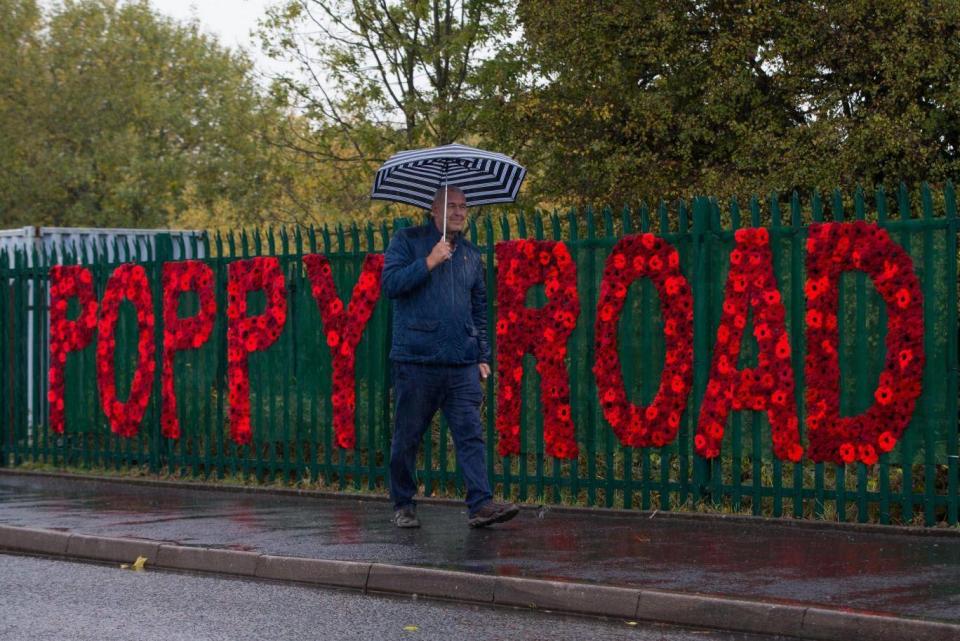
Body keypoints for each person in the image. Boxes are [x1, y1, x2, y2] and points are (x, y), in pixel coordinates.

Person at [381, 185, 519, 529]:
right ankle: (404, 502)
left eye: (463, 206)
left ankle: (480, 505)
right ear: (434, 210)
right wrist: (429, 261)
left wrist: (482, 353)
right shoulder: (407, 240)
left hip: (461, 363)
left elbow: (479, 309)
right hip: (417, 360)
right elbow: (390, 284)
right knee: (408, 436)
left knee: (471, 434)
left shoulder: (471, 255)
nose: (458, 212)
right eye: (451, 206)